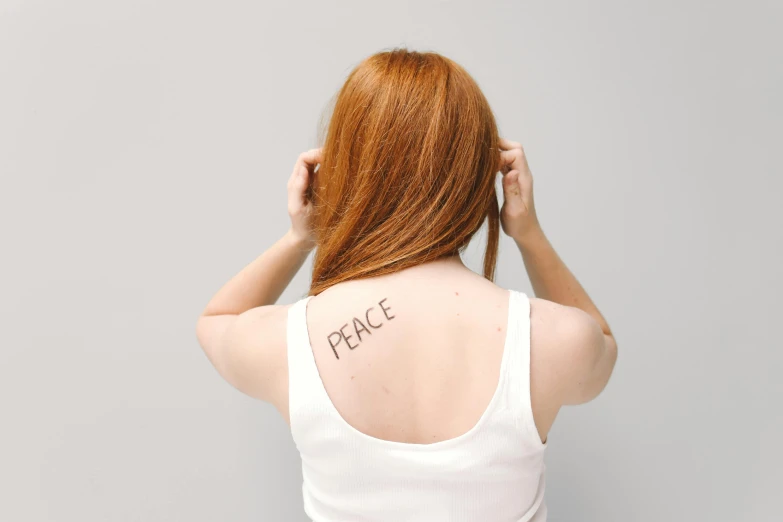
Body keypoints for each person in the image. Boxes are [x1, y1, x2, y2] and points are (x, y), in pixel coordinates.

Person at [196, 48, 618, 522]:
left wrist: (300, 237)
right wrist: (529, 234)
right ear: (483, 175)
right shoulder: (554, 341)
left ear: (344, 173)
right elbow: (602, 344)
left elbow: (217, 322)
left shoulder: (286, 343)